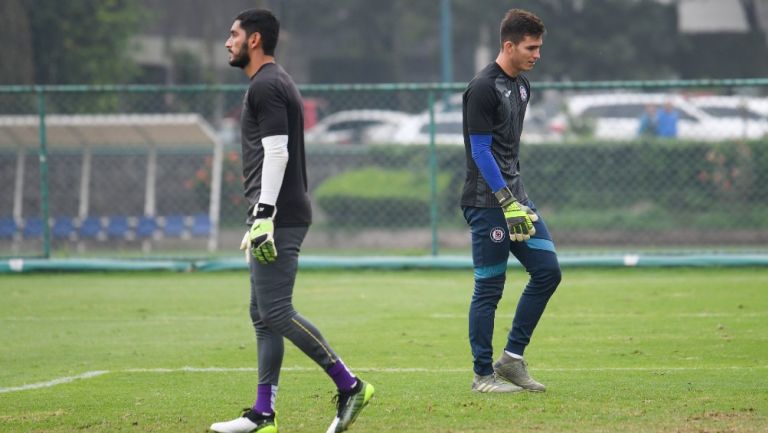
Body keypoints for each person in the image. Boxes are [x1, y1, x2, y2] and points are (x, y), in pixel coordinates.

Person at [210, 9, 374, 433]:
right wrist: (258, 217)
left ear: (255, 39)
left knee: (277, 312)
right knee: (263, 315)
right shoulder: (270, 82)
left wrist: (264, 215)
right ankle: (263, 414)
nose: (227, 42)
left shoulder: (267, 84)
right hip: (273, 216)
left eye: (233, 34)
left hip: (279, 218)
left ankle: (350, 385)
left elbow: (277, 152)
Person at [461, 9, 561, 393]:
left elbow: (508, 150)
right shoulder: (483, 87)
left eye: (538, 47)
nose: (537, 54)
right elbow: (481, 151)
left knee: (548, 271)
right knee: (489, 288)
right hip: (488, 203)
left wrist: (516, 199)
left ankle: (511, 360)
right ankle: (482, 375)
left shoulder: (522, 86)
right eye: (530, 47)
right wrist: (505, 200)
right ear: (508, 45)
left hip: (516, 199)